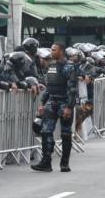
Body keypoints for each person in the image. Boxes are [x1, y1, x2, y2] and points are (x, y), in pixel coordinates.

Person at [31, 43, 78, 173]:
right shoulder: (51, 66)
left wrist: (69, 107)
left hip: (64, 103)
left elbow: (72, 88)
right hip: (52, 102)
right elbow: (49, 86)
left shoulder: (69, 67)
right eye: (51, 49)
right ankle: (46, 162)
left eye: (54, 50)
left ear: (61, 51)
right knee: (46, 131)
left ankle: (64, 163)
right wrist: (42, 103)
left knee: (65, 133)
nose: (51, 52)